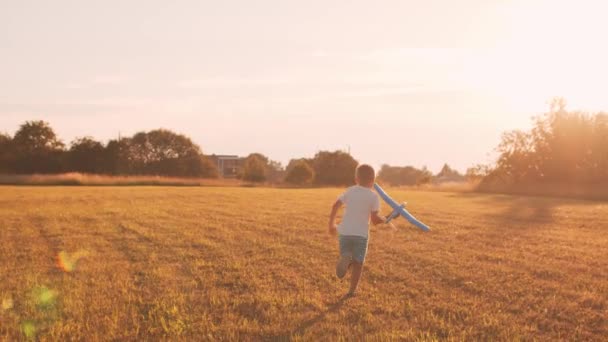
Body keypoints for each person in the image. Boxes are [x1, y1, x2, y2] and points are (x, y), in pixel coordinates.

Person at [328, 164, 385, 296]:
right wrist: (386, 218)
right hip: (360, 235)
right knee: (358, 264)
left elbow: (335, 205)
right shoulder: (373, 196)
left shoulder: (350, 191)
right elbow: (375, 220)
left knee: (346, 254)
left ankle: (346, 257)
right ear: (373, 180)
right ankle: (352, 291)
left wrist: (331, 224)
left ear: (356, 179)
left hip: (344, 232)